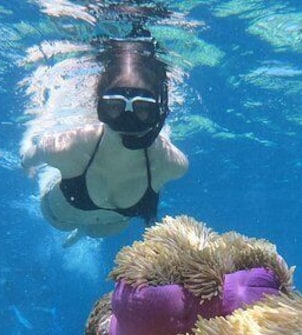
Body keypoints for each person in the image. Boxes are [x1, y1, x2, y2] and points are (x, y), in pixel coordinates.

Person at [21, 38, 189, 243]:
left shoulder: (170, 162)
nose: (129, 120)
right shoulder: (71, 147)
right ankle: (82, 231)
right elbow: (29, 156)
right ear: (98, 106)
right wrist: (28, 164)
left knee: (92, 232)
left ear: (159, 112)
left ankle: (83, 233)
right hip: (60, 217)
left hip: (107, 226)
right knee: (85, 227)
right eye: (115, 106)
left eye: (143, 108)